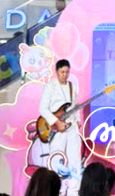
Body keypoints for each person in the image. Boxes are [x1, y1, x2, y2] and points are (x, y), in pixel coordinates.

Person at [39, 60, 83, 196]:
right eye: (62, 72)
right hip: (57, 129)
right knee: (57, 159)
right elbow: (43, 109)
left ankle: (73, 191)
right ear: (57, 72)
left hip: (72, 127)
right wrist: (56, 122)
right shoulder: (50, 87)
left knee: (75, 160)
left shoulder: (72, 86)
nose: (64, 74)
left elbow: (75, 105)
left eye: (67, 72)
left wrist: (78, 120)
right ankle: (57, 191)